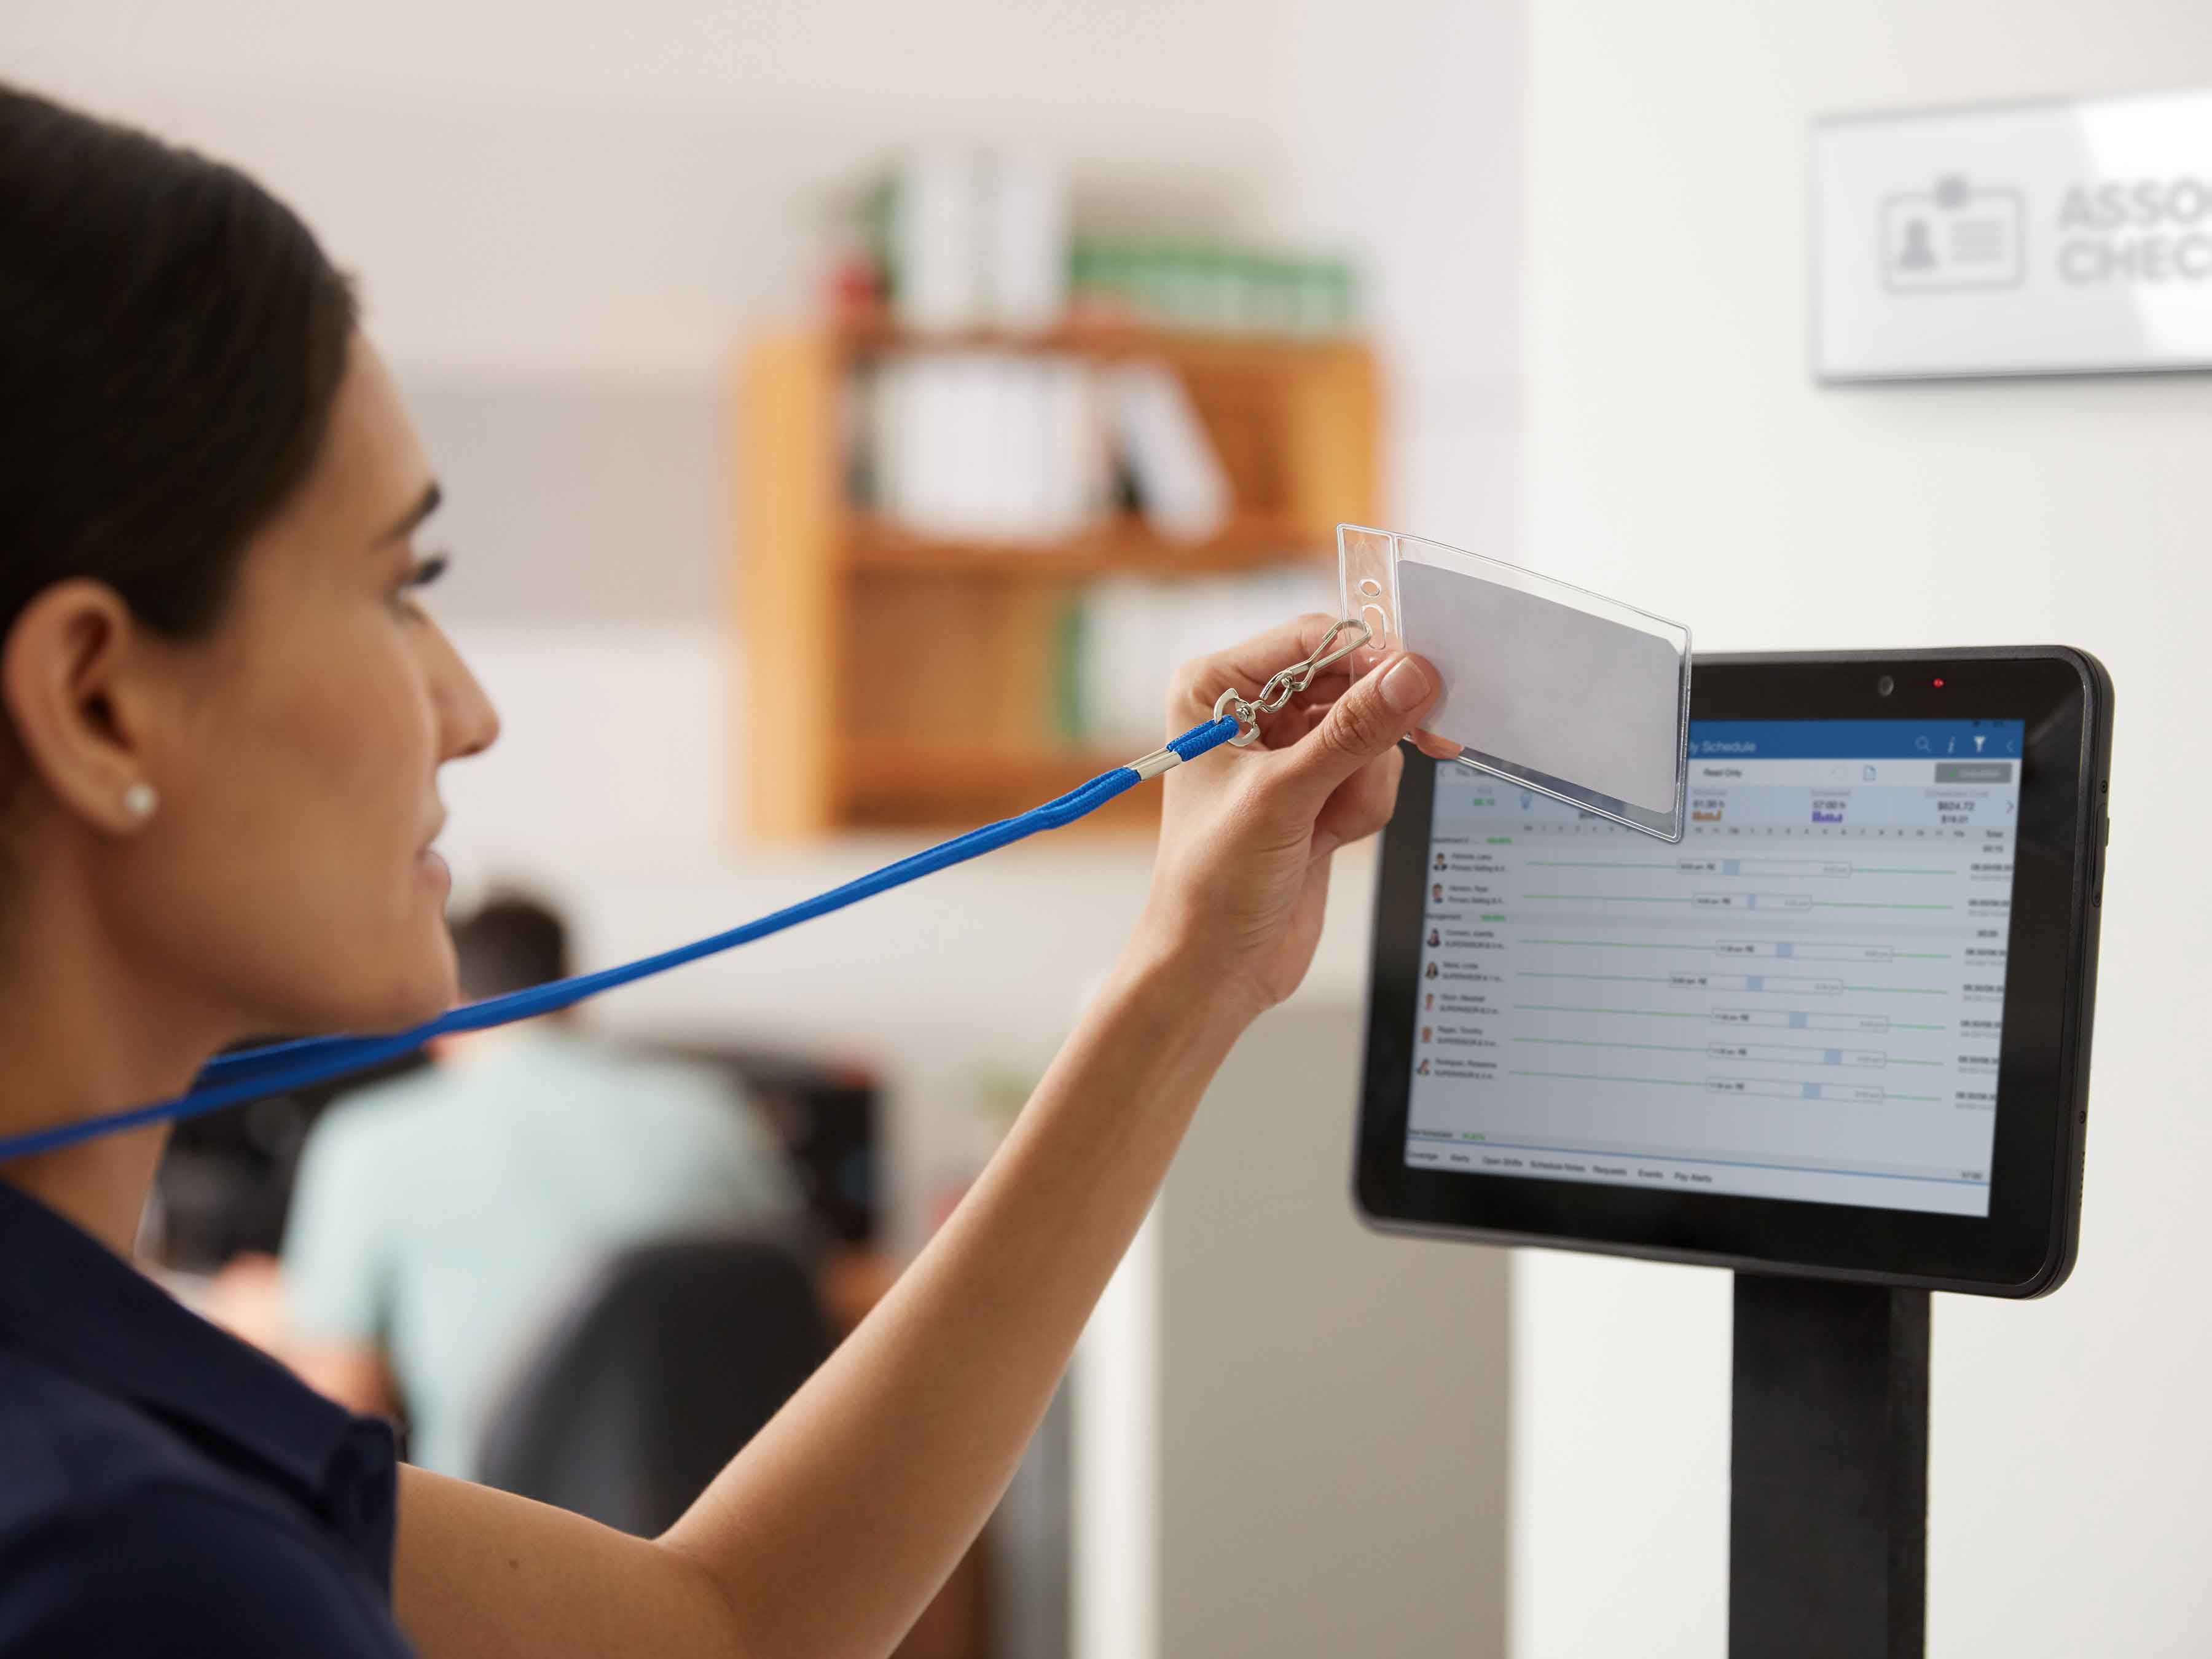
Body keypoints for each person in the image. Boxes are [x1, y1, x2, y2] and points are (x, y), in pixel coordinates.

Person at [0, 85, 1448, 1658]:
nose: (470, 713)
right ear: (95, 700)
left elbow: (721, 1624)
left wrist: (1190, 970)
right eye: (398, 588)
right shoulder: (129, 1567)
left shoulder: (113, 1413)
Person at [229, 894, 804, 1480]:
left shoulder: (367, 1140)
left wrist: (289, 1321)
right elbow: (800, 1299)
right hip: (716, 1538)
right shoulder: (714, 1112)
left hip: (502, 1545)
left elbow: (344, 1404)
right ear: (574, 994)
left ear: (443, 1005)